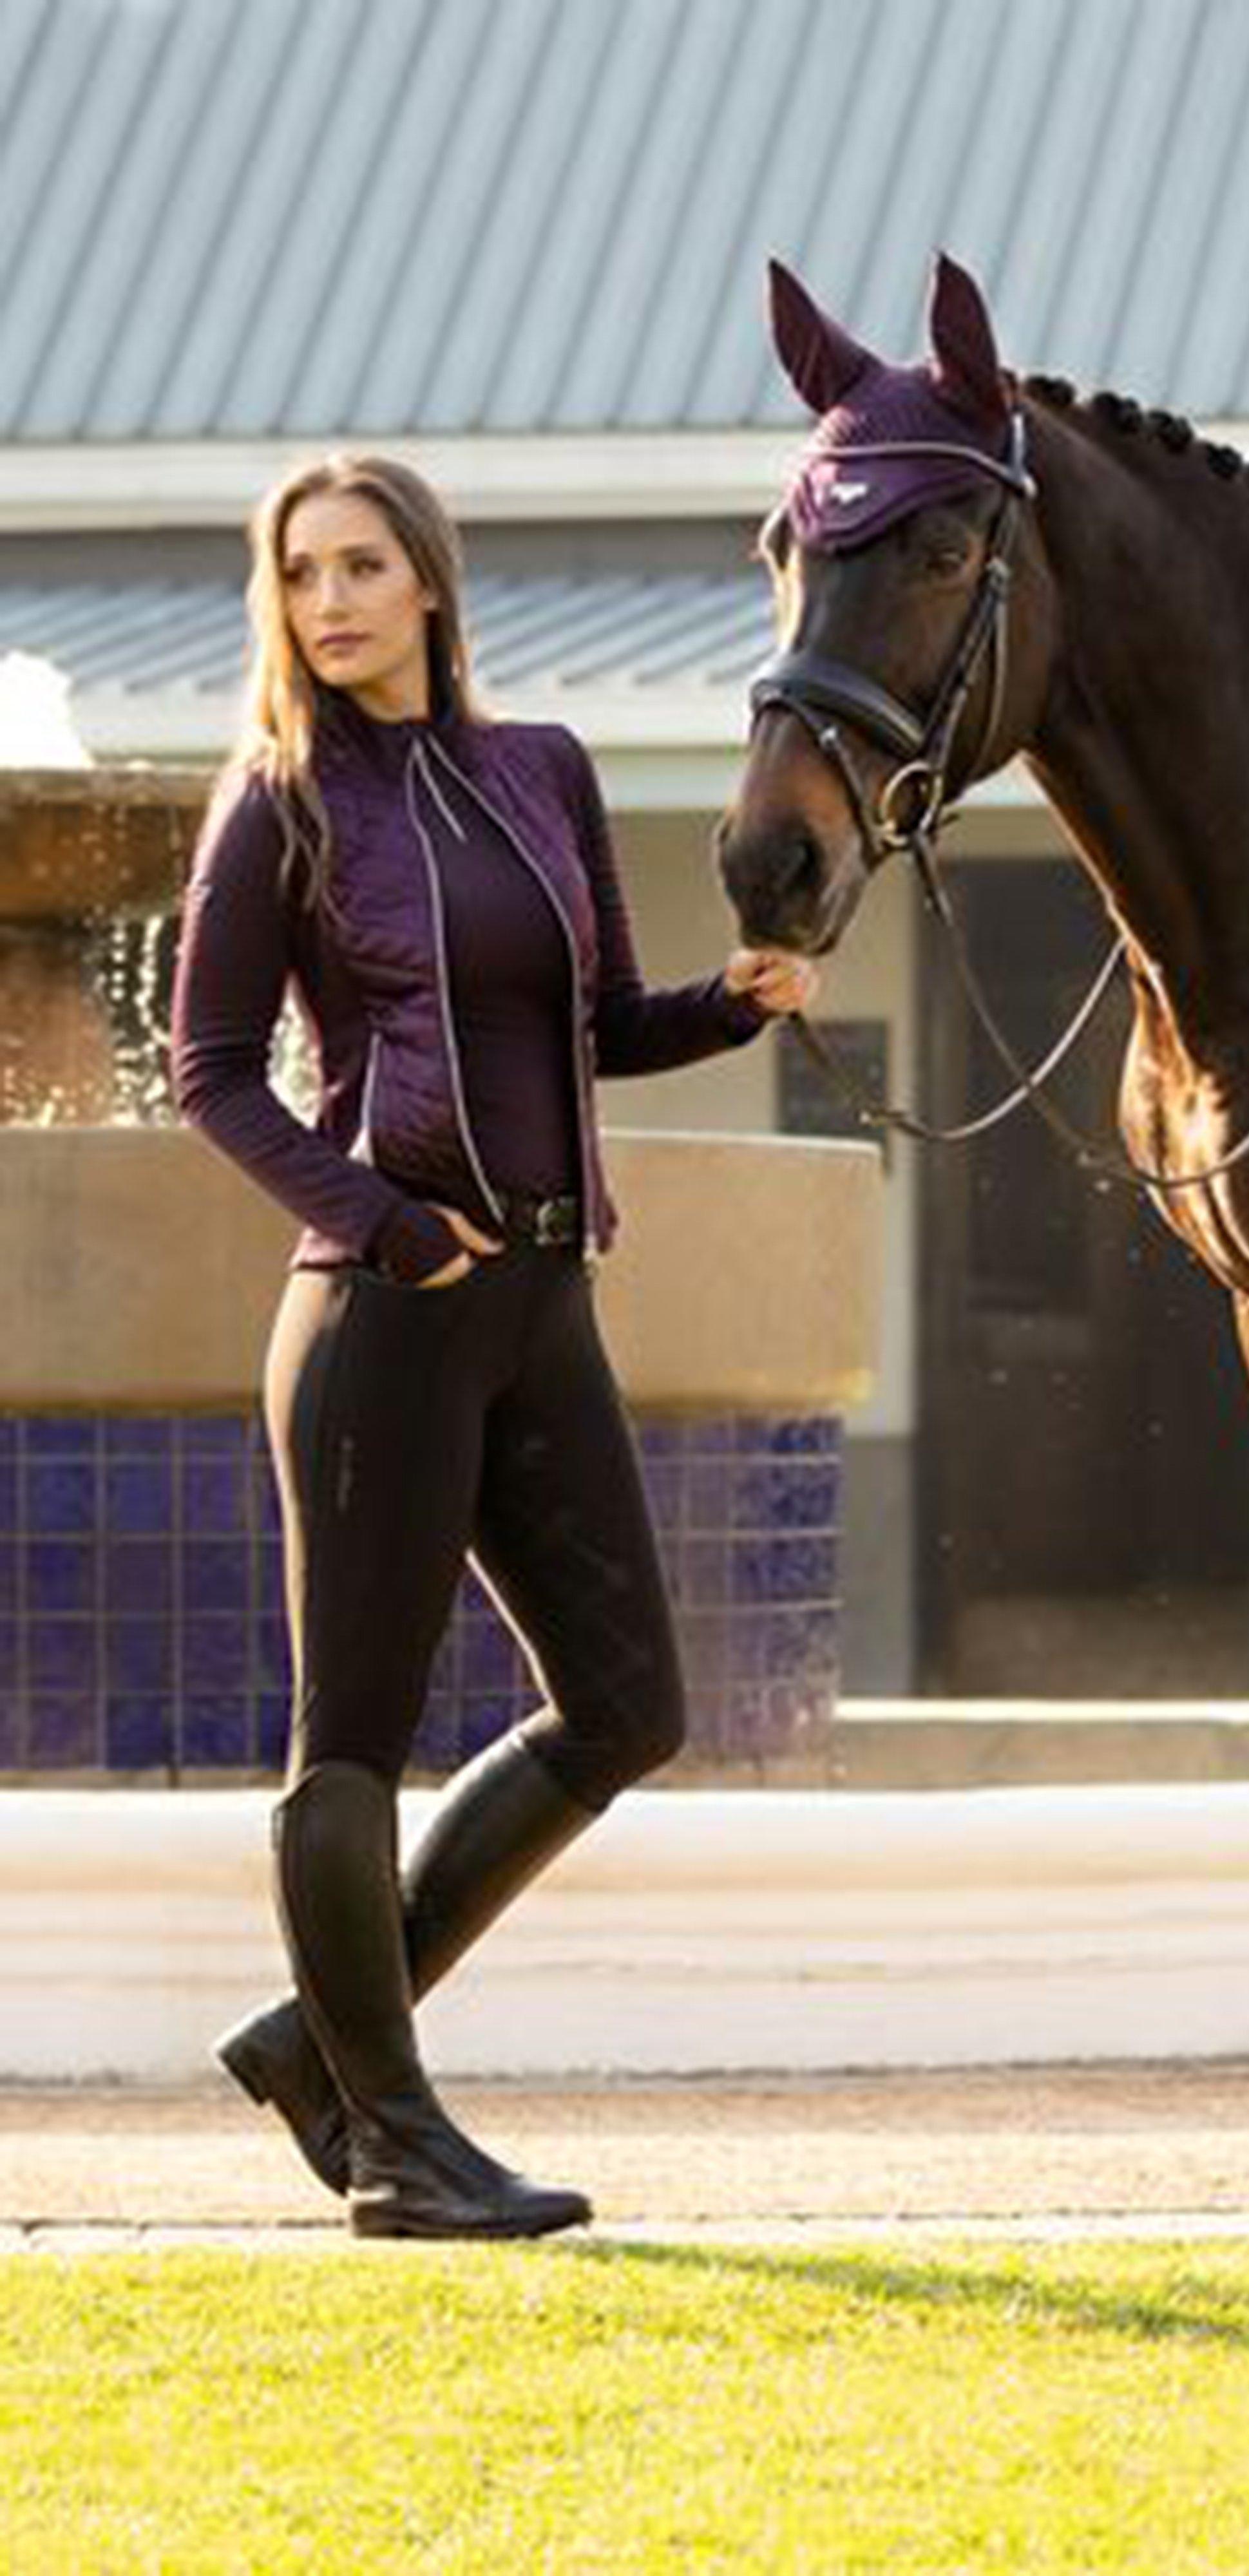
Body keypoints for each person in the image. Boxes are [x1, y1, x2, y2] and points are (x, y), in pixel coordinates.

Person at [172, 453, 815, 2239]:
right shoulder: (278, 802)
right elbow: (212, 1076)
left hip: (546, 1299)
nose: (332, 603)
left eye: (364, 565)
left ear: (431, 582)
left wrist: (729, 1004)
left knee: (629, 1709)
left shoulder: (541, 769)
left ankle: (325, 2048)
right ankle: (392, 2139)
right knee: (352, 1735)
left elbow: (592, 1020)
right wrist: (383, 1219)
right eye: (302, 575)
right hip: (384, 1310)